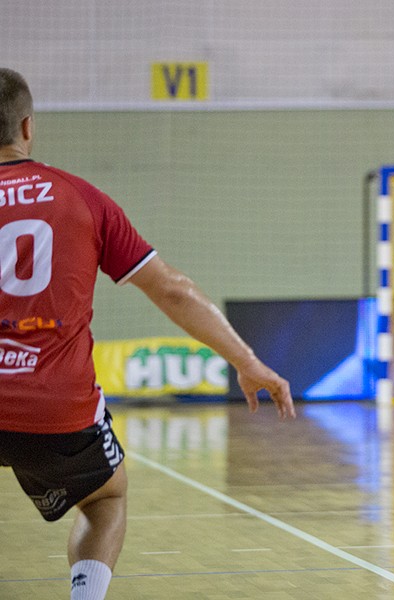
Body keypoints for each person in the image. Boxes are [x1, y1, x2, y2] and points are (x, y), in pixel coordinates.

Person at [0, 68, 296, 600]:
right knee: (105, 499)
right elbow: (172, 290)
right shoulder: (82, 198)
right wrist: (247, 360)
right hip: (55, 408)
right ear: (27, 127)